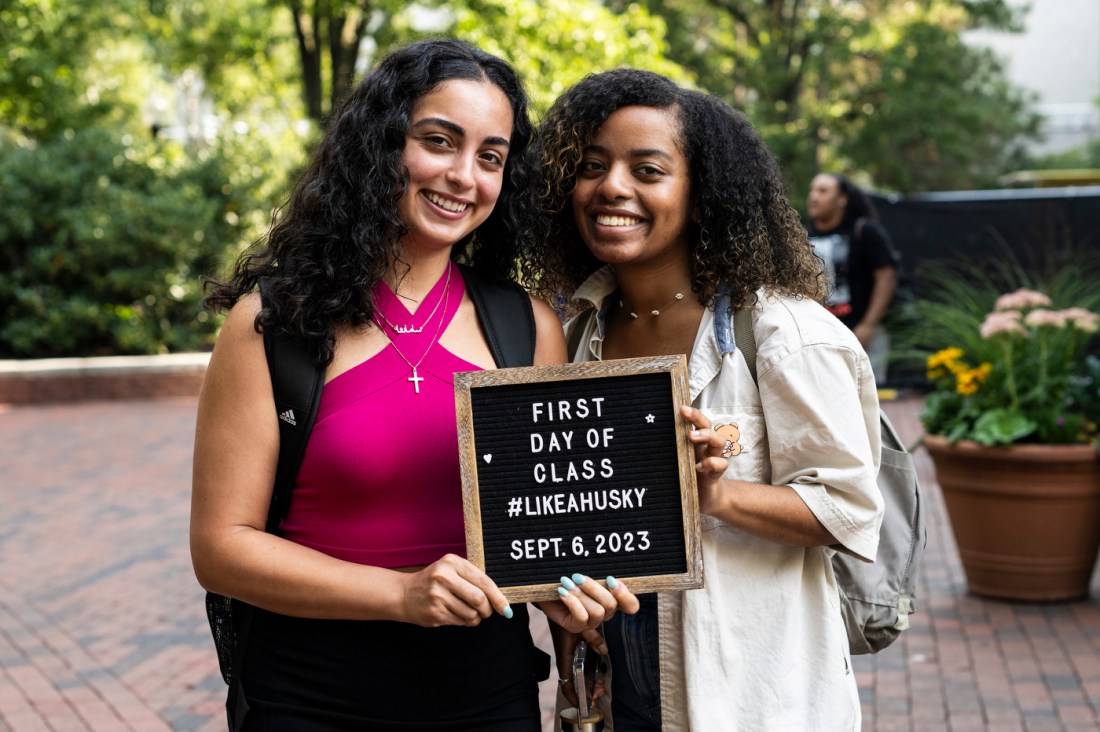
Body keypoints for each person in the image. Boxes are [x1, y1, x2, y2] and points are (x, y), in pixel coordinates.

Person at [190, 39, 636, 731]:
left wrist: (564, 590)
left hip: (489, 693)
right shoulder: (272, 325)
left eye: (490, 157)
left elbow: (546, 527)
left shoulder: (529, 328)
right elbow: (221, 548)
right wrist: (401, 594)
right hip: (308, 697)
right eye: (438, 141)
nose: (463, 176)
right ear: (381, 146)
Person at [525, 69, 885, 731]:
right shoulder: (571, 332)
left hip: (746, 692)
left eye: (648, 169)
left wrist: (716, 495)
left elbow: (852, 508)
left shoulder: (784, 334)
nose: (612, 187)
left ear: (701, 193)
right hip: (612, 690)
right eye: (592, 166)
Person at [806, 172, 899, 384]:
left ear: (842, 199)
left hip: (862, 334)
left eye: (823, 190)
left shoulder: (864, 231)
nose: (813, 196)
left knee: (868, 400)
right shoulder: (801, 234)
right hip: (819, 337)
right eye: (812, 190)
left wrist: (868, 325)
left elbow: (886, 278)